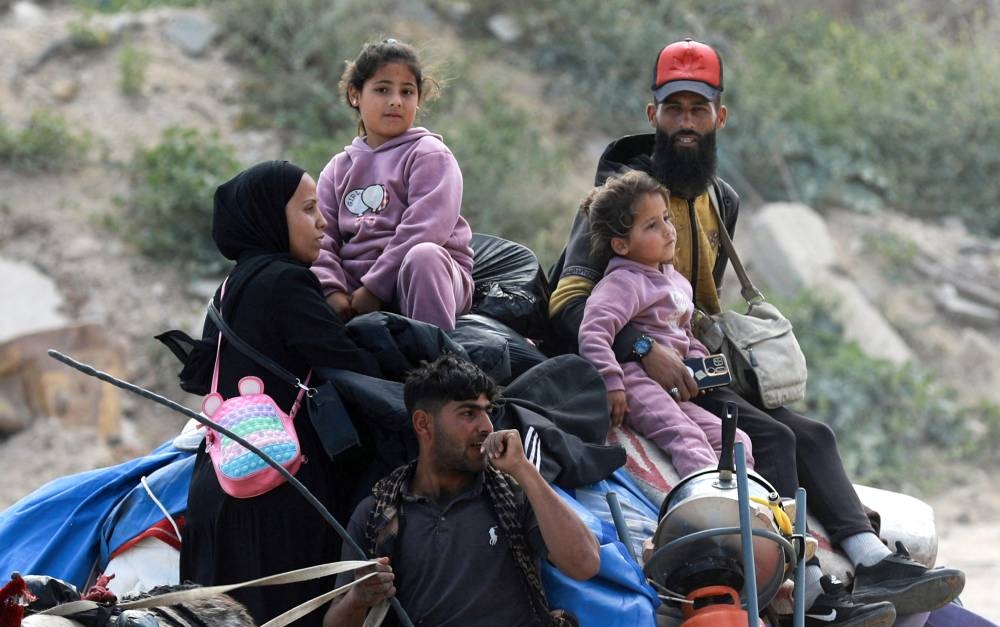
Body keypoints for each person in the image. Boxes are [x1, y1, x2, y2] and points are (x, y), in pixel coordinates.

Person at [548, 38, 964, 624]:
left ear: (720, 115)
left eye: (698, 110)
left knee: (813, 435)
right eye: (674, 110)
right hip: (643, 369)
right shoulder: (622, 198)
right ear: (653, 116)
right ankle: (812, 585)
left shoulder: (722, 200)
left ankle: (872, 562)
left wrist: (699, 354)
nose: (686, 124)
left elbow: (695, 305)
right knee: (769, 439)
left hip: (698, 362)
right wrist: (641, 349)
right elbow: (567, 299)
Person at [179, 160, 383, 627]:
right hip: (278, 492)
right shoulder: (286, 281)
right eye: (308, 209)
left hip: (217, 486)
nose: (323, 223)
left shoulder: (226, 291)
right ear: (271, 216)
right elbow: (354, 368)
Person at [323, 354, 601, 627]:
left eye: (488, 412)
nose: (487, 427)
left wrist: (524, 470)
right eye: (469, 413)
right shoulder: (376, 515)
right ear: (423, 424)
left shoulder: (511, 494)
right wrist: (359, 598)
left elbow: (585, 565)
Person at [578, 170, 754, 477]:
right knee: (685, 438)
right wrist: (610, 382)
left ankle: (747, 499)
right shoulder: (623, 282)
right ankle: (707, 503)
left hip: (671, 389)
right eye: (652, 225)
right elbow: (593, 331)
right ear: (621, 246)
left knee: (736, 439)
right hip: (636, 382)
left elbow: (684, 333)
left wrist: (699, 363)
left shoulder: (677, 283)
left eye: (666, 218)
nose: (668, 230)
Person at [312, 38, 474, 332]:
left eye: (407, 91)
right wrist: (332, 291)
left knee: (423, 256)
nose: (396, 100)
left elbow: (426, 228)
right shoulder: (338, 169)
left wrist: (375, 289)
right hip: (355, 286)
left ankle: (437, 365)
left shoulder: (429, 154)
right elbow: (321, 238)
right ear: (355, 94)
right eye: (383, 89)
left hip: (428, 278)